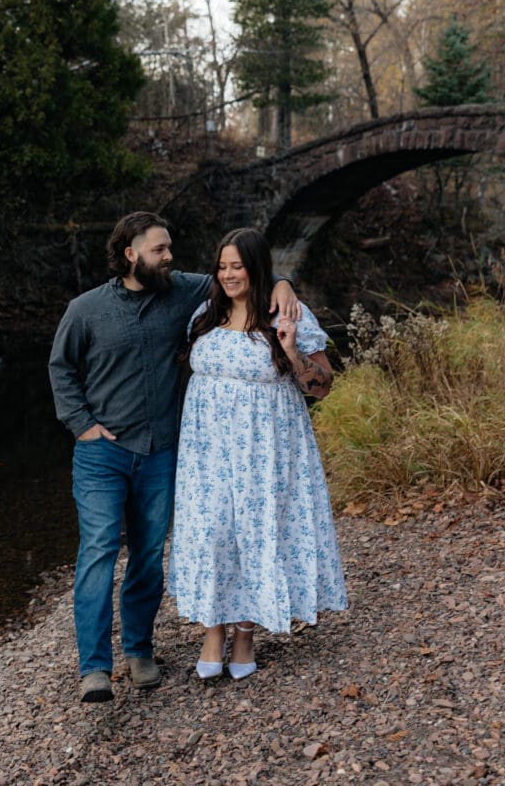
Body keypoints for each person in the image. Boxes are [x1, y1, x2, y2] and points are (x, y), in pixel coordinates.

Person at [48, 212, 299, 703]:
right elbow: (61, 369)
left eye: (169, 249)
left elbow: (243, 275)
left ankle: (139, 652)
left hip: (161, 452)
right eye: (160, 250)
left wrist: (285, 281)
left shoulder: (183, 293)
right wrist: (82, 425)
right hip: (102, 454)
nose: (169, 257)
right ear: (130, 254)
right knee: (98, 553)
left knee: (146, 557)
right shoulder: (85, 309)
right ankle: (95, 667)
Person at [167, 227, 347, 681]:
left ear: (256, 268)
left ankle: (245, 634)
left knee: (256, 532)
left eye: (238, 266)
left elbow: (321, 388)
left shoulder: (286, 312)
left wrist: (289, 348)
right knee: (213, 534)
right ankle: (213, 631)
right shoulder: (205, 313)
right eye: (222, 266)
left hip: (265, 448)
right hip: (206, 453)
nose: (228, 274)